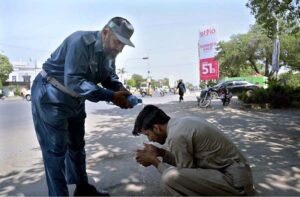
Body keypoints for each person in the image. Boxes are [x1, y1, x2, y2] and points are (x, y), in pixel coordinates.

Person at [31, 17, 135, 196]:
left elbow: (108, 77)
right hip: (51, 94)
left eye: (123, 44)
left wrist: (121, 90)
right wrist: (112, 96)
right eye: (118, 42)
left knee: (78, 146)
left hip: (76, 100)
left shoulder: (109, 54)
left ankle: (83, 189)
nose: (119, 48)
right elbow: (74, 81)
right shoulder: (80, 41)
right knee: (55, 151)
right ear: (105, 32)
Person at [133, 105, 254, 196]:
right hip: (236, 176)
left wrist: (154, 161)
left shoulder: (176, 136)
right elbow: (188, 170)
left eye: (148, 134)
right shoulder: (181, 123)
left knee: (169, 178)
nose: (150, 140)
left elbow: (183, 176)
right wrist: (160, 153)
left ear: (156, 128)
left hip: (237, 185)